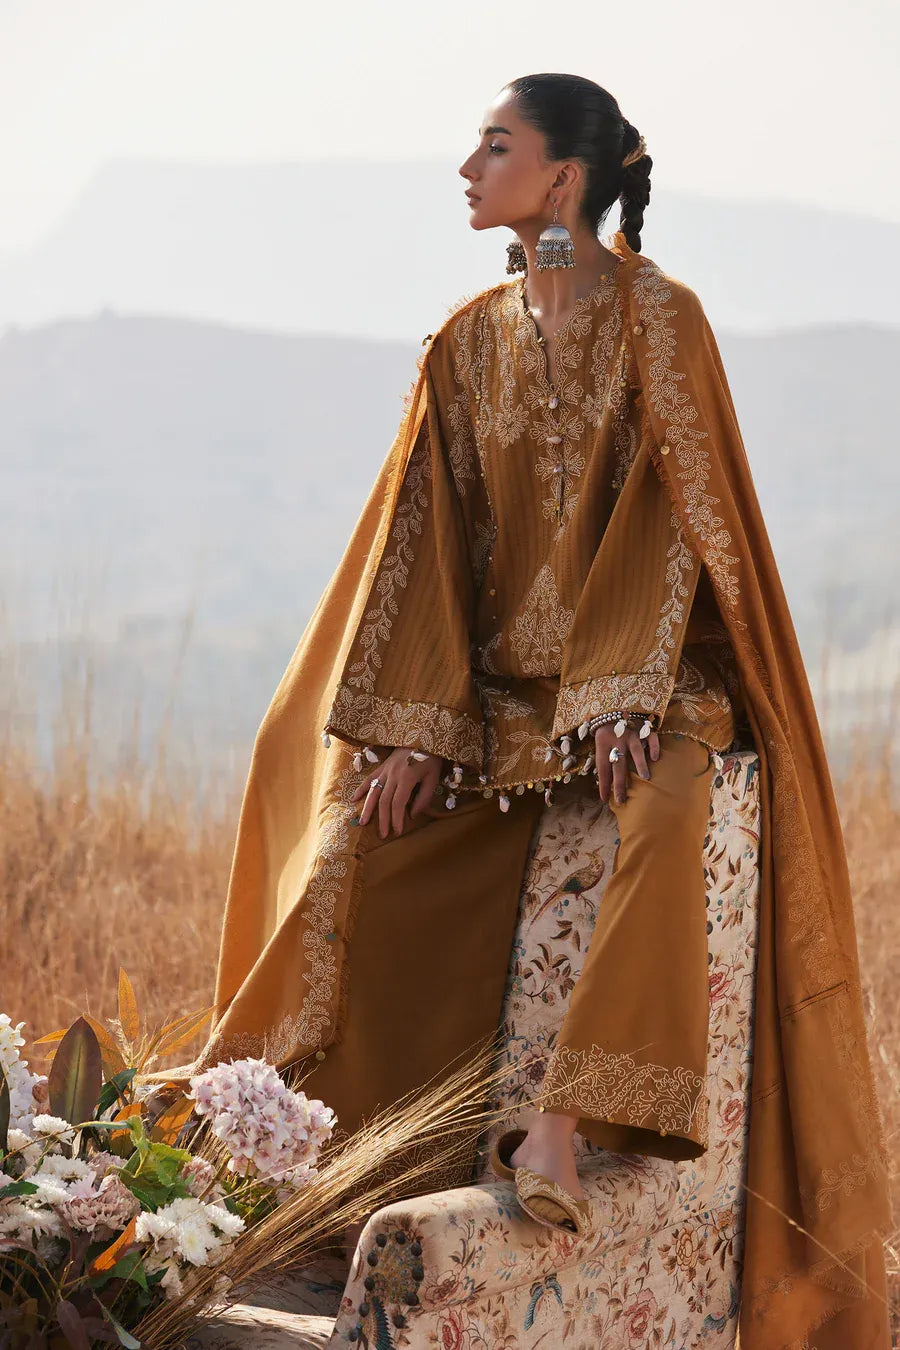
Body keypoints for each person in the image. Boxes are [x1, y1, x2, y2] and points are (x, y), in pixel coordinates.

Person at [157, 74, 892, 1350]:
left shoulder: (663, 319)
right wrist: (416, 727)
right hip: (500, 700)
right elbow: (427, 534)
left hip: (655, 681)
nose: (467, 168)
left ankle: (561, 1122)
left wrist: (619, 691)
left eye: (494, 146)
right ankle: (315, 1168)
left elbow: (672, 505)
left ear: (563, 180)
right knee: (367, 837)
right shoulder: (465, 340)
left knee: (661, 801)